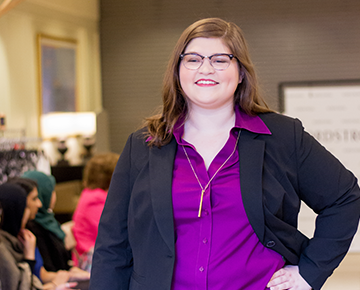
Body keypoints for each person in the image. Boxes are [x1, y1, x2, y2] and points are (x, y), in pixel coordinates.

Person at [89, 18, 360, 290]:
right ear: (178, 70)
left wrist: (309, 272)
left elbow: (345, 198)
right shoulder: (143, 145)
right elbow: (114, 243)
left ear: (241, 71)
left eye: (220, 60)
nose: (206, 69)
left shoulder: (283, 136)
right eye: (193, 59)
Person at [8, 175, 90, 287]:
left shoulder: (27, 232)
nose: (39, 204)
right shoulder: (9, 242)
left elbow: (41, 273)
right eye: (34, 199)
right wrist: (55, 284)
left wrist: (68, 274)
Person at [71, 152, 119, 270]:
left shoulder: (92, 196)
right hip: (93, 261)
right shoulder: (95, 200)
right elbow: (114, 233)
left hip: (98, 256)